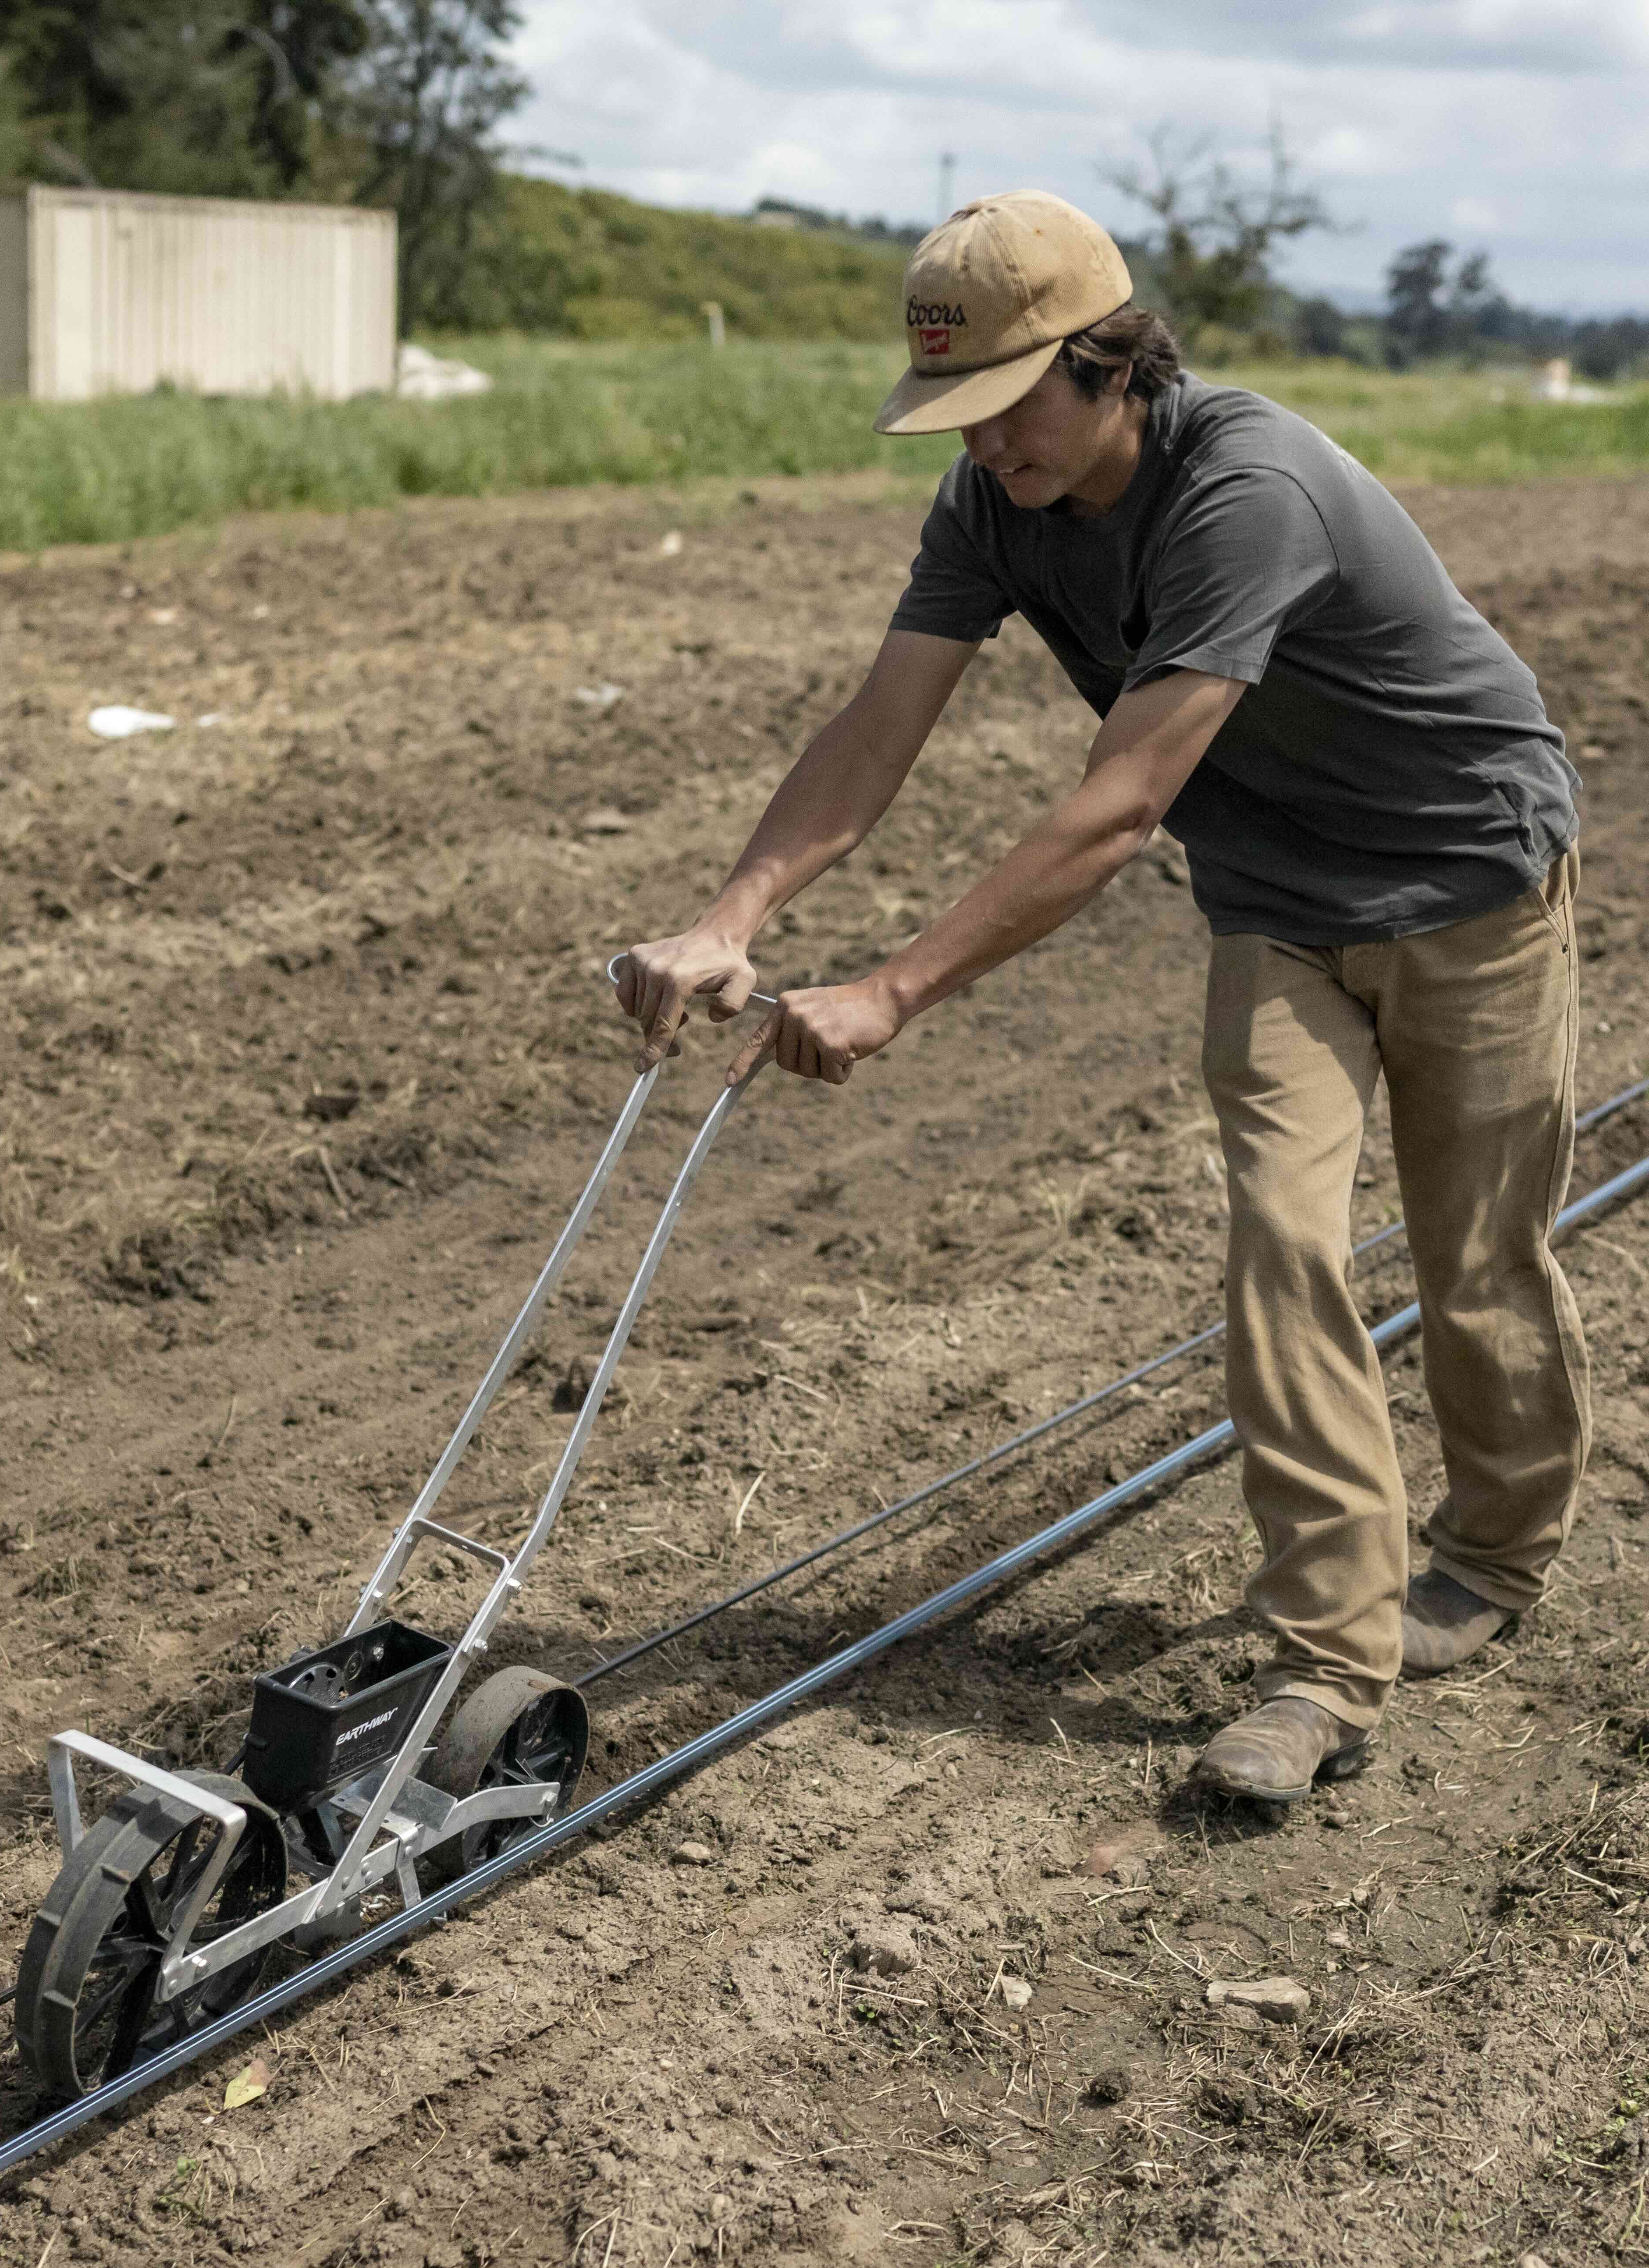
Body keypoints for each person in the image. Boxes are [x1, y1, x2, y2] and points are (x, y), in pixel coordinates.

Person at [610, 191, 1592, 1808]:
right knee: (1283, 1240)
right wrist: (733, 918)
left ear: (1109, 358)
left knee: (1474, 1258)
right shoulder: (995, 502)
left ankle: (1493, 1552)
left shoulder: (1247, 490)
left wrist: (895, 992)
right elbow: (882, 720)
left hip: (1468, 881)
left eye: (1010, 407)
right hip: (1279, 905)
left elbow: (1121, 806)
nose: (988, 447)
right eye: (960, 417)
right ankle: (1328, 1668)